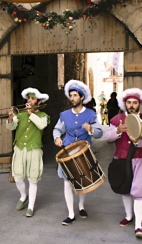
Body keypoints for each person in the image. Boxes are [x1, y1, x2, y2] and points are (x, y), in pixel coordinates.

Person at [53, 80, 103, 225]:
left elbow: (99, 133)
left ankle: (81, 205)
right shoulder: (64, 114)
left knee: (83, 179)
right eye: (71, 95)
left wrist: (91, 129)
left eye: (75, 95)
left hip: (83, 152)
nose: (72, 98)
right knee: (67, 183)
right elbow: (57, 129)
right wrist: (57, 137)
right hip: (67, 152)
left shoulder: (91, 114)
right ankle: (71, 213)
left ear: (82, 97)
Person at [6, 88, 50, 217]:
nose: (29, 100)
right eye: (28, 98)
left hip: (34, 149)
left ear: (39, 102)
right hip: (19, 148)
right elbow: (11, 127)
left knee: (33, 179)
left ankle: (30, 206)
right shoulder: (21, 114)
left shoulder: (43, 115)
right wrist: (10, 118)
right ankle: (23, 196)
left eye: (32, 98)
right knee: (18, 177)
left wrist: (31, 113)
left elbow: (41, 125)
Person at [104, 88, 142, 238]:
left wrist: (138, 142)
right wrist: (118, 131)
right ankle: (128, 216)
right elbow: (107, 138)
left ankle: (139, 225)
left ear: (139, 104)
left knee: (139, 192)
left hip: (139, 159)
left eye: (134, 103)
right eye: (129, 102)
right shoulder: (116, 119)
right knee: (124, 188)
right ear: (124, 103)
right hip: (121, 159)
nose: (132, 105)